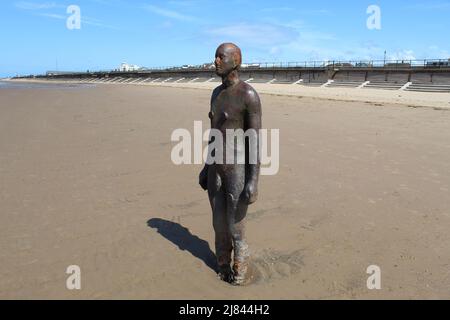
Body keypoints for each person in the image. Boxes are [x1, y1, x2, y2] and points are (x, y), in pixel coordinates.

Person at [199, 43, 262, 285]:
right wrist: (206, 168)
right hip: (216, 167)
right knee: (218, 223)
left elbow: (254, 141)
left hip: (237, 169)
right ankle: (223, 265)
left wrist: (253, 181)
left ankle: (240, 270)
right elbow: (214, 133)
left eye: (220, 56)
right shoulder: (215, 94)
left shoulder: (248, 95)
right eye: (214, 55)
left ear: (235, 61)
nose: (215, 61)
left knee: (236, 226)